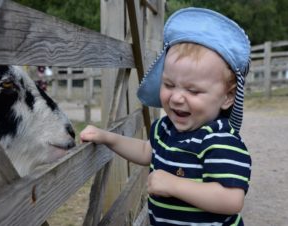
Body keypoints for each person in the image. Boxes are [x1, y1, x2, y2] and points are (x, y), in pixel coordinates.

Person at [80, 7, 252, 226]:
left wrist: (173, 185)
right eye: (169, 85)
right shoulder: (165, 128)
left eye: (193, 91)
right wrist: (108, 138)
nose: (177, 98)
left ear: (227, 97)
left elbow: (231, 199)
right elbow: (145, 151)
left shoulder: (220, 141)